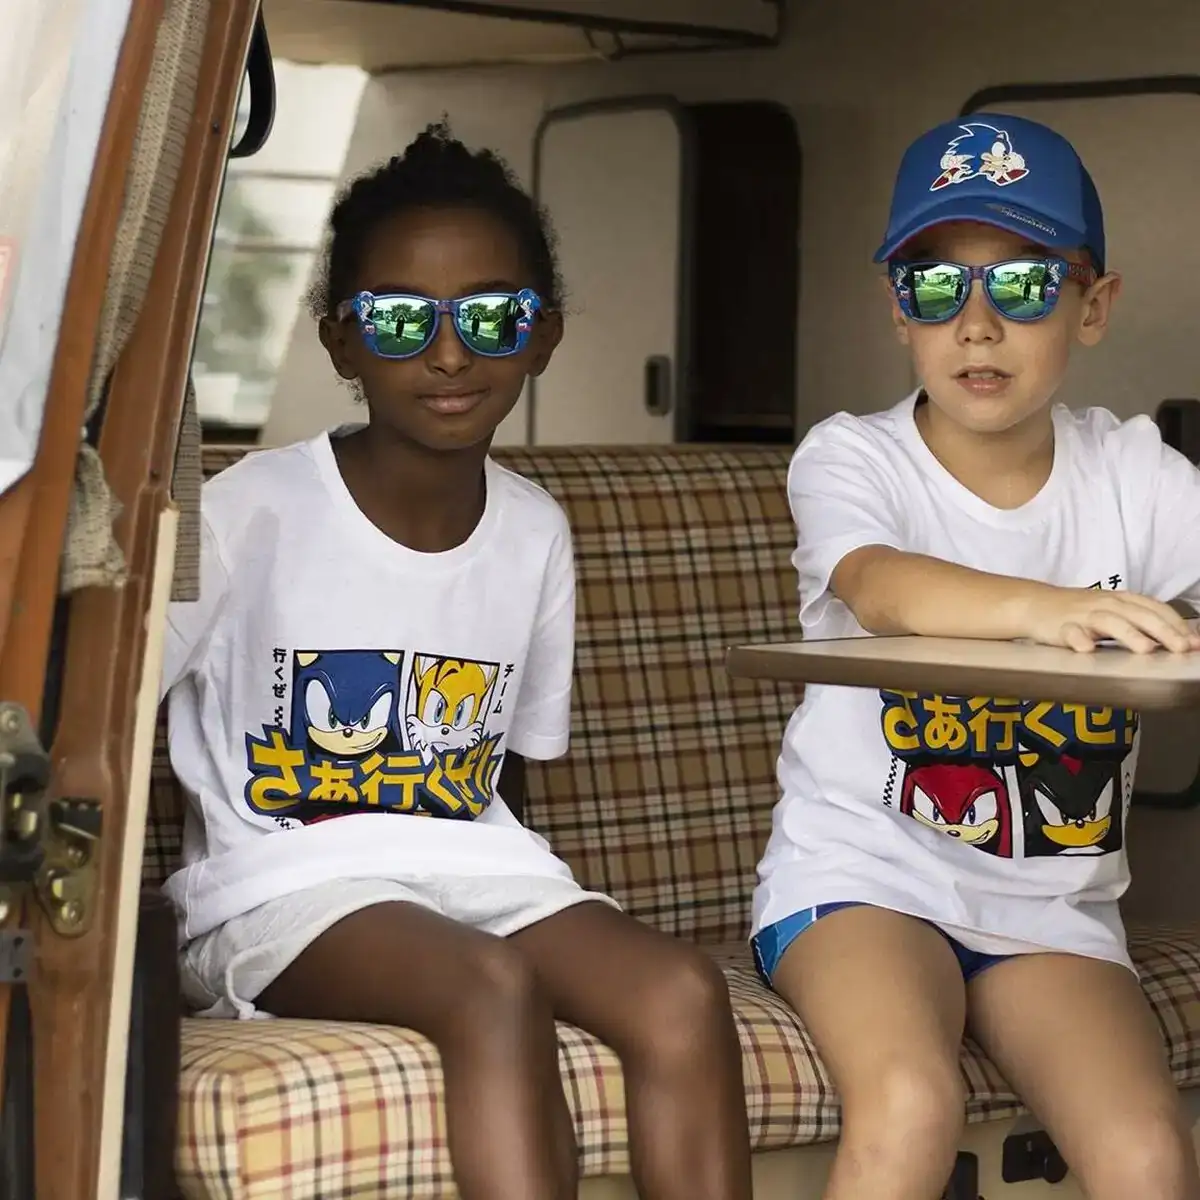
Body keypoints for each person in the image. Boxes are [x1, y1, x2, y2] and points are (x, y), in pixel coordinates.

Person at [160, 123, 753, 1200]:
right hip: (280, 888)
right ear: (342, 342)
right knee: (493, 987)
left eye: (490, 316)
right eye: (400, 319)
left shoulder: (533, 530)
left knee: (680, 991)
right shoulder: (251, 510)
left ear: (543, 336)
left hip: (475, 867)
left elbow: (505, 772)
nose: (448, 355)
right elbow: (111, 702)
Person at [751, 113, 1200, 1200]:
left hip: (1051, 908)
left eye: (1025, 286)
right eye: (936, 286)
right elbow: (880, 587)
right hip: (862, 880)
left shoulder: (1136, 475)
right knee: (911, 1102)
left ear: (1094, 306)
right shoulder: (853, 457)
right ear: (898, 310)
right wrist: (1055, 611)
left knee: (1148, 1155)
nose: (978, 325)